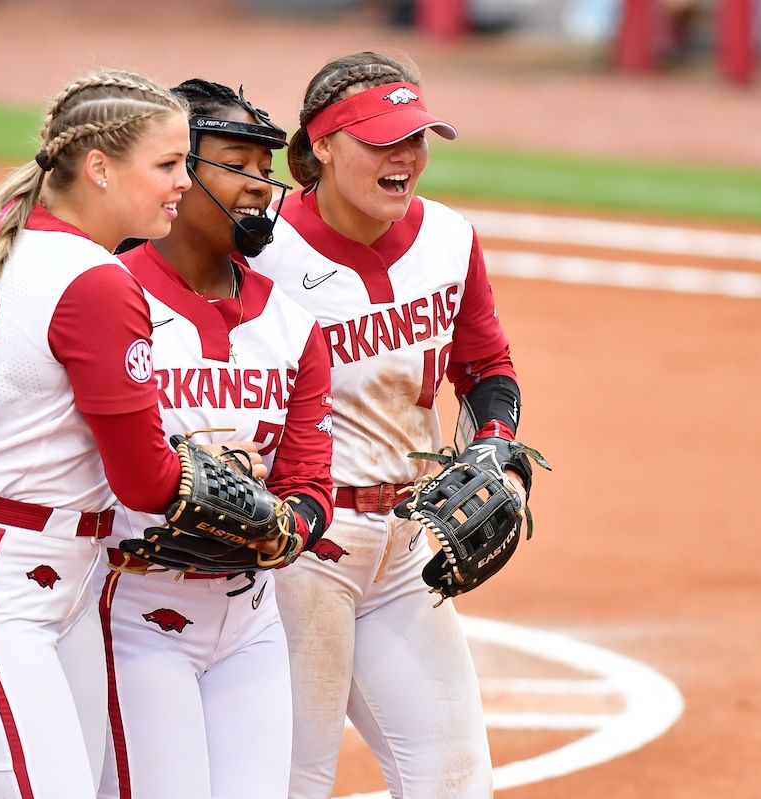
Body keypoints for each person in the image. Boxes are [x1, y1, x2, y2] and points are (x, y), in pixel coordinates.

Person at [0, 69, 216, 799]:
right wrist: (247, 502)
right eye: (167, 164)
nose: (185, 181)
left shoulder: (13, 240)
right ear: (99, 167)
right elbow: (145, 481)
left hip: (37, 577)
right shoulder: (94, 280)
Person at [249, 52, 531, 798]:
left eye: (417, 136)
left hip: (406, 547)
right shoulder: (259, 248)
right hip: (299, 550)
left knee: (456, 780)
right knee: (290, 783)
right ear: (321, 146)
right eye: (382, 140)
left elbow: (484, 366)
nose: (406, 156)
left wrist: (497, 451)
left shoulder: (449, 238)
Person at [97, 78, 334, 799]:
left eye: (268, 172)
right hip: (132, 615)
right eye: (238, 165)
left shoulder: (294, 327)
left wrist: (283, 527)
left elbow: (309, 483)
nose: (261, 187)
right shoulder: (108, 295)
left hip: (250, 622)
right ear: (177, 172)